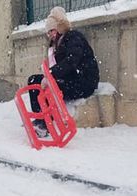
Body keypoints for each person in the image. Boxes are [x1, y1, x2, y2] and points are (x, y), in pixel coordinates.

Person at [27, 7, 99, 137]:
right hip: (72, 79)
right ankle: (40, 118)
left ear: (59, 28)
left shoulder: (73, 37)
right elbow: (61, 67)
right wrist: (48, 75)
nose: (50, 35)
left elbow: (71, 62)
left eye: (52, 31)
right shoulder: (58, 44)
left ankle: (44, 124)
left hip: (84, 82)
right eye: (48, 32)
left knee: (53, 86)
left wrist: (51, 75)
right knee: (34, 81)